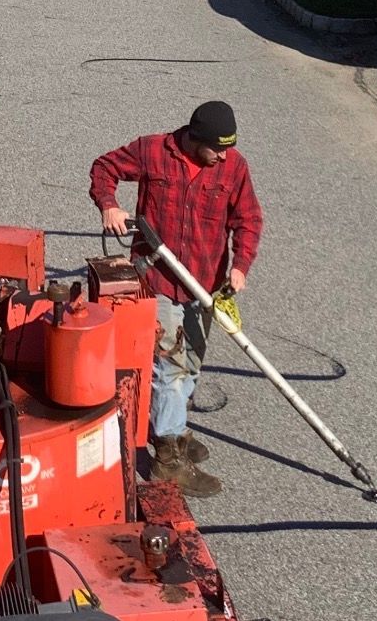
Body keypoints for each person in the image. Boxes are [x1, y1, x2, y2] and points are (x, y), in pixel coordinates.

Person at [89, 101, 262, 498]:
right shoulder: (153, 151)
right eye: (217, 148)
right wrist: (109, 204)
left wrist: (240, 267)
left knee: (192, 365)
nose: (223, 155)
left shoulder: (233, 167)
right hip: (157, 278)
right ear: (194, 138)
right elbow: (105, 168)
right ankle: (166, 458)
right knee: (170, 366)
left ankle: (175, 428)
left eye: (228, 148)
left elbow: (249, 219)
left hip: (204, 283)